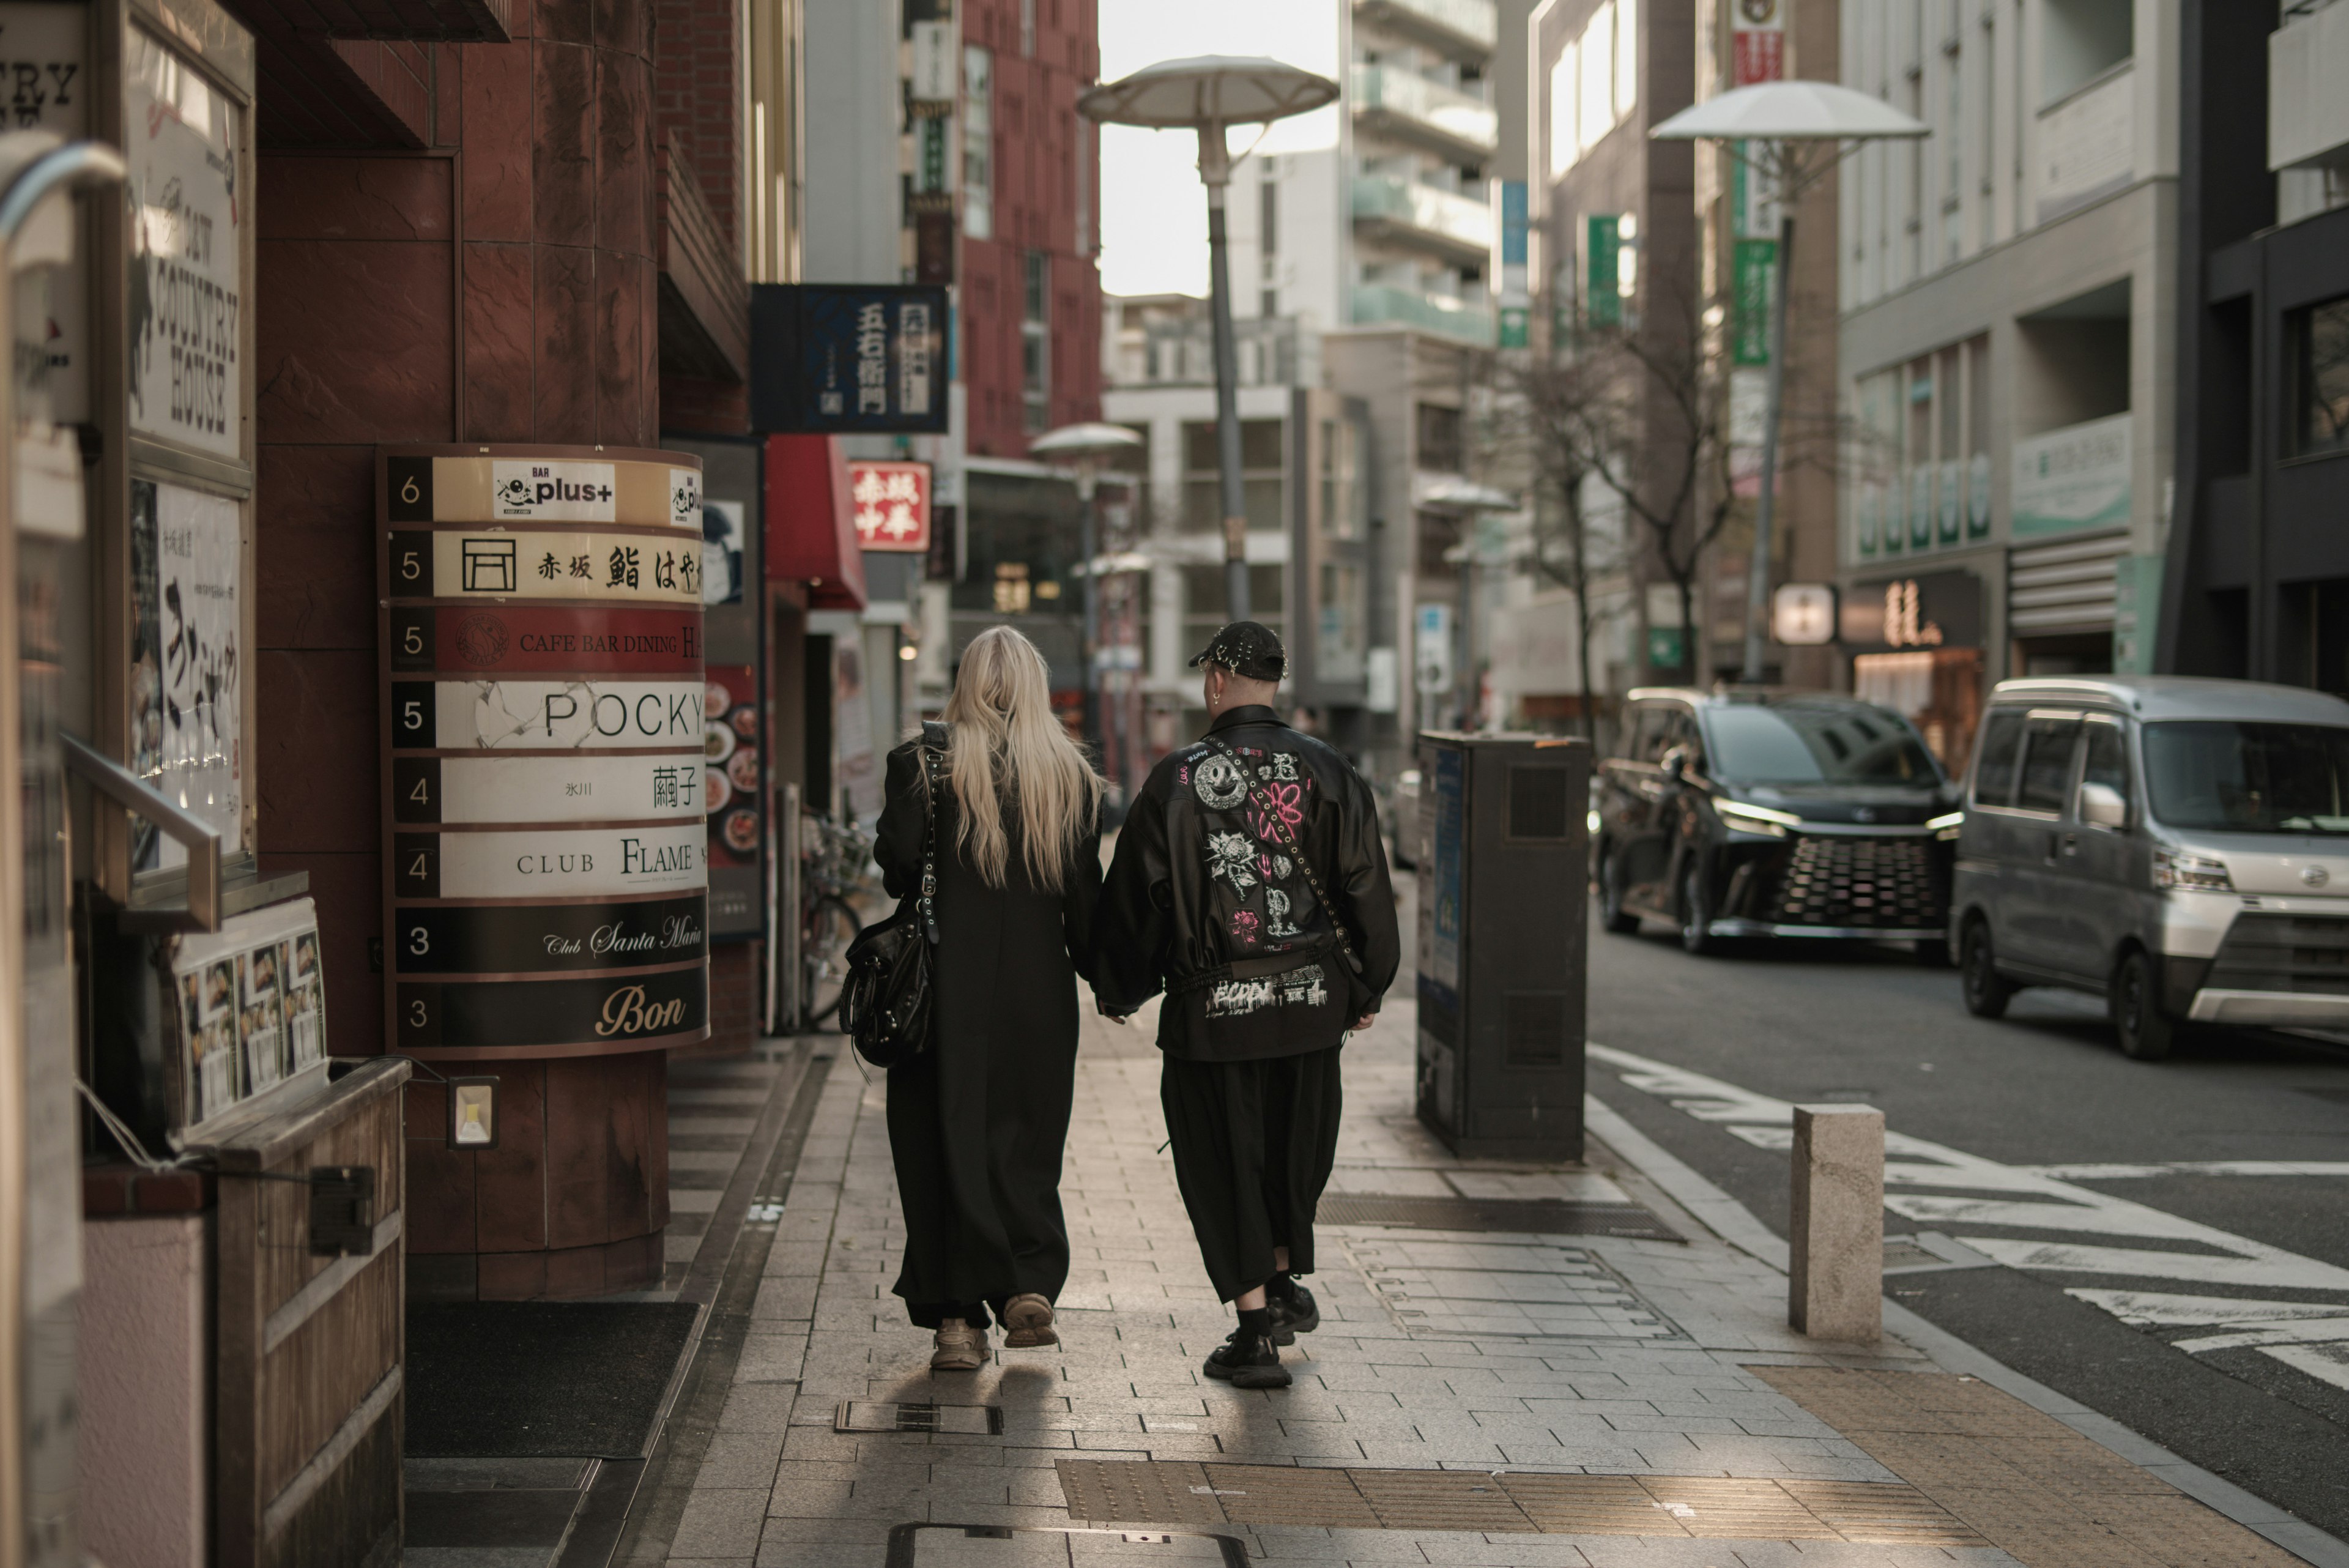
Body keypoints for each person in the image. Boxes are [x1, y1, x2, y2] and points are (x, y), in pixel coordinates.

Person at [1092, 621, 1401, 1389]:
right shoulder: (1331, 771)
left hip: (1213, 1015)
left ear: (1218, 681)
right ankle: (1284, 1280)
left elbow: (1139, 901)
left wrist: (1119, 986)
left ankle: (1256, 1326)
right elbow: (1367, 886)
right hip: (1307, 1003)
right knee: (1295, 1153)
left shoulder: (1176, 778)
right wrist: (1365, 986)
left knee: (1222, 1161)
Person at [874, 626, 1105, 1370]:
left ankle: (956, 1322)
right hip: (1039, 996)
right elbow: (1084, 905)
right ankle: (1027, 1286)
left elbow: (900, 868)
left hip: (944, 994)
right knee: (1026, 1144)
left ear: (966, 681)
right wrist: (1118, 982)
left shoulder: (923, 764)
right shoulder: (1067, 776)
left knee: (940, 1145)